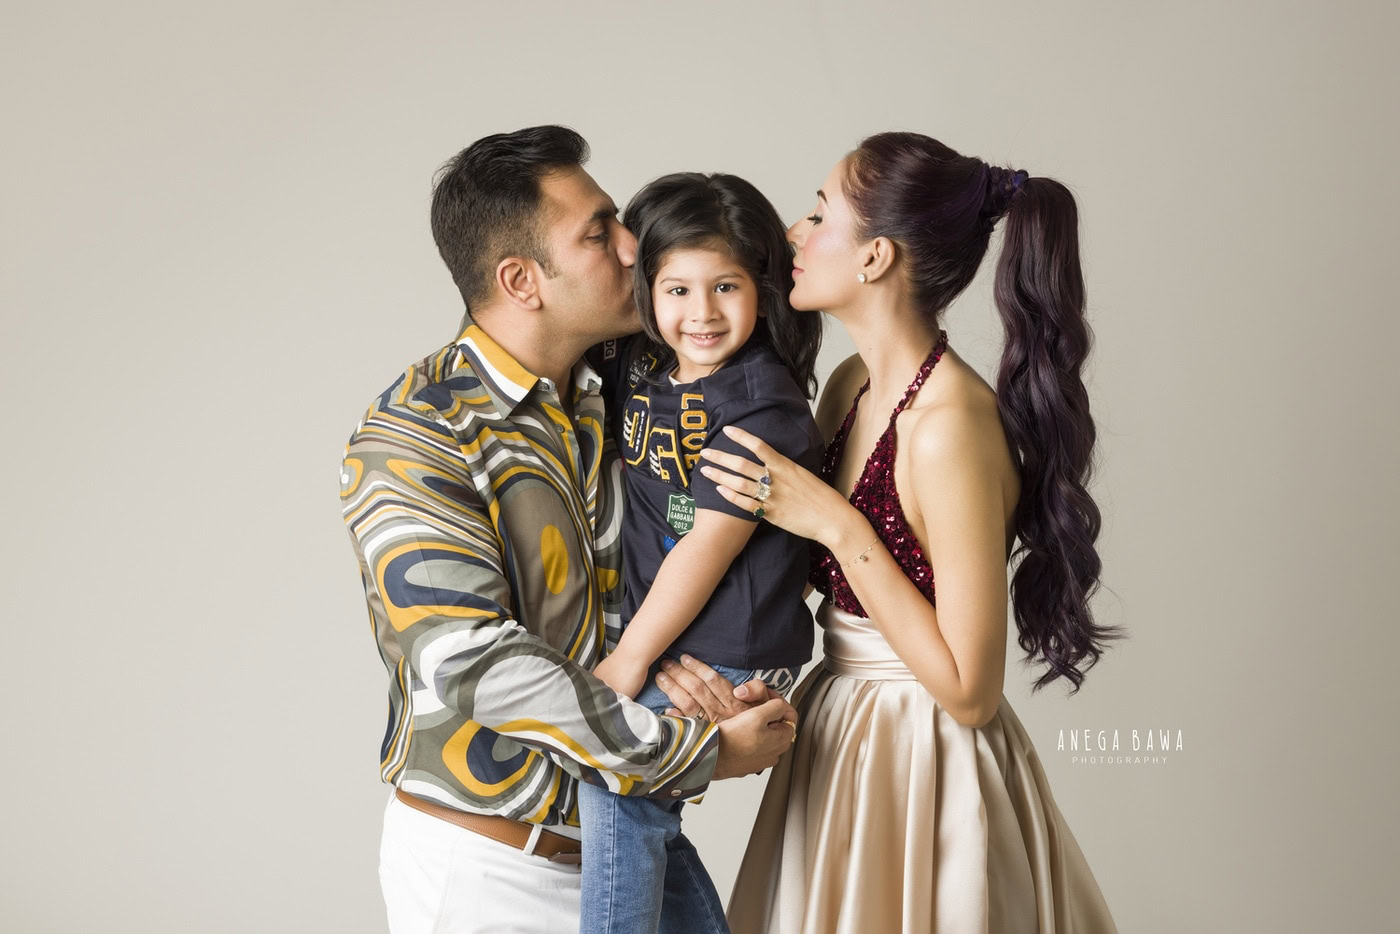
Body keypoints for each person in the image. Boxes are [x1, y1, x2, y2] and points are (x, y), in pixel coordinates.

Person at [653, 131, 1123, 932]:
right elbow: (825, 590)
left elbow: (972, 691)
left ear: (874, 257)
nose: (794, 237)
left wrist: (836, 524)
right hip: (837, 730)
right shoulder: (850, 386)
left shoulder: (948, 426)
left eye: (817, 214)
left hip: (924, 759)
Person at [338, 125, 798, 934]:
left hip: (627, 842)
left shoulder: (616, 397)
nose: (633, 248)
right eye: (599, 232)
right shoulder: (416, 434)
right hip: (492, 871)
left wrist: (701, 675)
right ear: (522, 280)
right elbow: (475, 662)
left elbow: (668, 568)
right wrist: (698, 752)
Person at [578, 172, 825, 934]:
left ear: (763, 288)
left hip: (730, 641)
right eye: (677, 289)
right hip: (678, 635)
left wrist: (628, 661)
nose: (702, 313)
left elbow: (705, 550)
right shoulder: (645, 366)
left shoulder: (760, 405)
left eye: (726, 286)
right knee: (645, 813)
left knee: (618, 775)